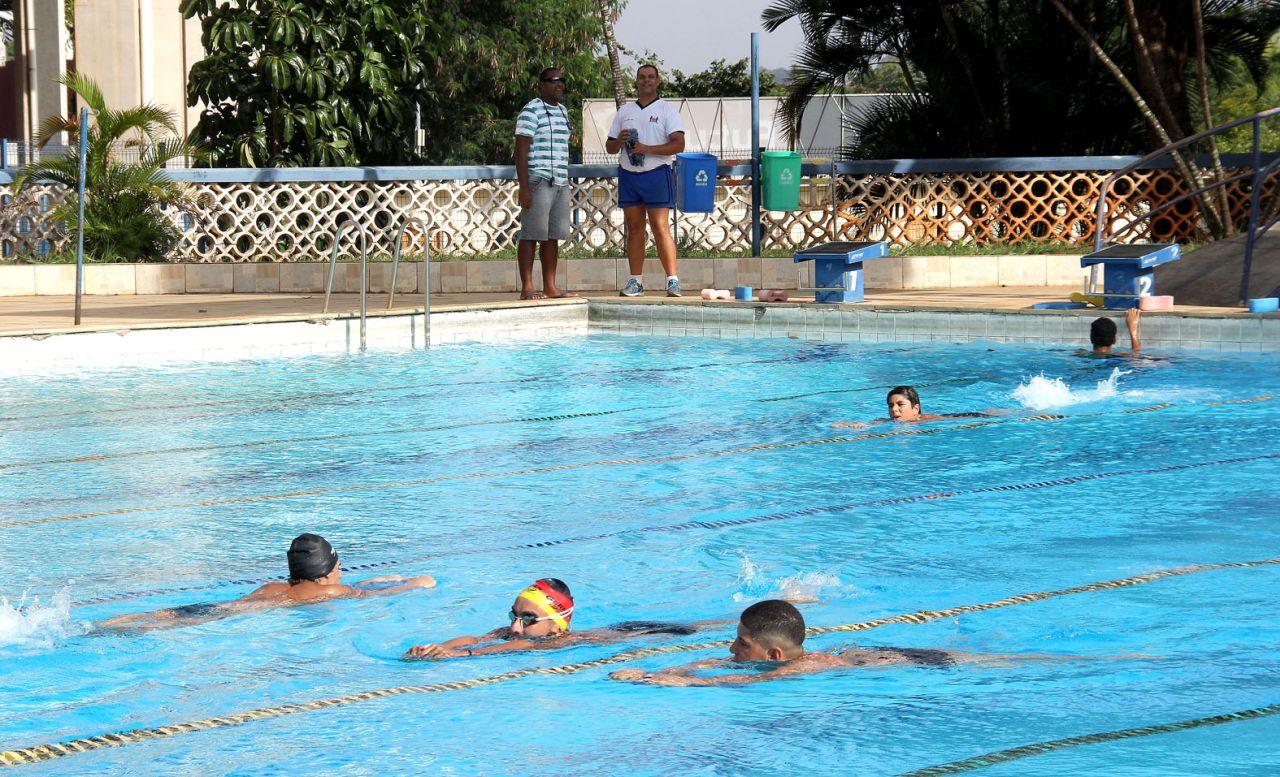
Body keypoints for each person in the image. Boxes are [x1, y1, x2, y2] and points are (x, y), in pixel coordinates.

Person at [609, 599, 1027, 687]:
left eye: (739, 643)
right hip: (874, 655)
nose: (730, 650)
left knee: (1015, 663)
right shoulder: (769, 659)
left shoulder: (801, 667)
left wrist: (684, 684)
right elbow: (713, 667)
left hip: (925, 662)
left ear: (772, 655)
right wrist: (658, 672)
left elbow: (740, 682)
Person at [98, 533, 436, 632]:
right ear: (330, 572)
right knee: (174, 626)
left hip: (222, 607)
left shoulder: (278, 586)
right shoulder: (333, 591)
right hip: (232, 618)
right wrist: (414, 583)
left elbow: (349, 585)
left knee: (175, 614)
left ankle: (115, 622)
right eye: (340, 567)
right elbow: (368, 595)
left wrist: (376, 578)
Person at [403, 578, 724, 659]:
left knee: (699, 628)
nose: (516, 626)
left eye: (528, 619)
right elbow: (475, 639)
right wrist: (438, 647)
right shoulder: (512, 631)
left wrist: (463, 657)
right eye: (514, 616)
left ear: (557, 625)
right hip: (617, 627)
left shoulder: (545, 643)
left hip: (634, 635)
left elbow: (512, 650)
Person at [605, 64, 686, 298]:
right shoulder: (625, 111)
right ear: (636, 81)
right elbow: (610, 147)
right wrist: (619, 140)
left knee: (661, 227)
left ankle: (672, 281)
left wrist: (647, 148)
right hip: (629, 175)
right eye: (642, 77)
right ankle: (635, 281)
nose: (646, 81)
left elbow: (678, 144)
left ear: (658, 81)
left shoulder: (667, 110)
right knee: (635, 228)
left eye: (651, 77)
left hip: (657, 174)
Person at [514, 66, 575, 301]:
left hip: (560, 181)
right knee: (530, 235)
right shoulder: (531, 110)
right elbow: (521, 149)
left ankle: (550, 287)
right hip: (538, 180)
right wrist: (524, 187)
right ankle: (527, 287)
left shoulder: (563, 111)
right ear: (542, 85)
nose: (559, 84)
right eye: (553, 81)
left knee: (552, 237)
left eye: (562, 80)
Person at [832, 385, 946, 429]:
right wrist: (853, 425)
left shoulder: (929, 420)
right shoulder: (885, 421)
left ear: (915, 409)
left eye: (900, 404)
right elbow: (867, 425)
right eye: (891, 405)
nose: (894, 409)